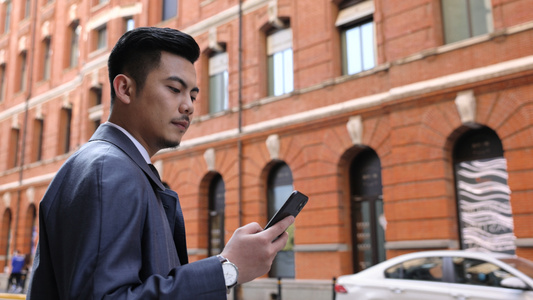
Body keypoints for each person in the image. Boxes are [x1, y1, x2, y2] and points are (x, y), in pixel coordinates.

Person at [26, 27, 294, 299]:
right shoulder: (109, 168)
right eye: (175, 89)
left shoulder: (114, 166)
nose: (188, 106)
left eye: (192, 95)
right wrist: (226, 269)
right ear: (125, 88)